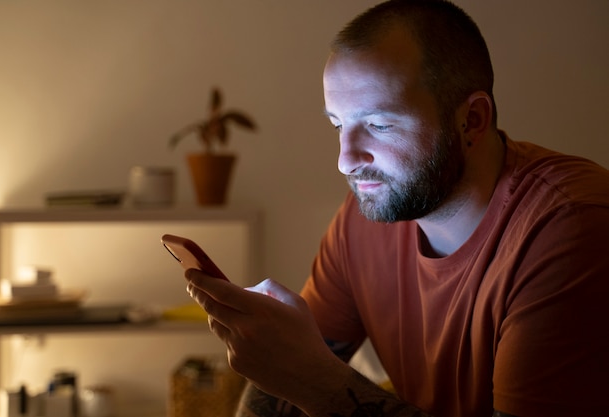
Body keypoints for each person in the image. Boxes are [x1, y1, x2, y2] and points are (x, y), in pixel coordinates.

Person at [185, 0, 609, 416]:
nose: (345, 160)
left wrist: (318, 383)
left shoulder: (572, 227)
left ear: (473, 120)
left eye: (379, 125)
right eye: (338, 125)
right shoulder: (364, 218)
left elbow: (311, 379)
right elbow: (273, 398)